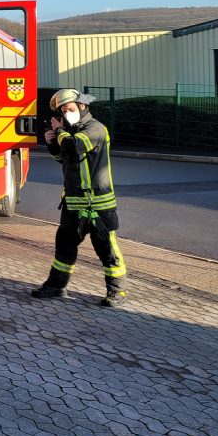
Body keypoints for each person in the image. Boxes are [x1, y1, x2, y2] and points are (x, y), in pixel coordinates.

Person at [31, 88, 127, 307]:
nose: (67, 114)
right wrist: (52, 143)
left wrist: (59, 132)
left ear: (83, 106)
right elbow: (64, 159)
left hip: (98, 204)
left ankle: (117, 291)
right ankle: (56, 286)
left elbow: (74, 147)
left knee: (106, 248)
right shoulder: (70, 131)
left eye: (70, 109)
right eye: (64, 111)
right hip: (73, 202)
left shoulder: (96, 129)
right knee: (64, 245)